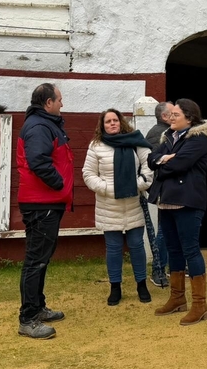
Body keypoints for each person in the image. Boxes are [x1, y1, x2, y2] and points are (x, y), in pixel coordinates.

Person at [148, 98, 207, 326]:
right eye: (171, 114)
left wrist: (163, 162)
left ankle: (199, 304)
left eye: (176, 114)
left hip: (188, 203)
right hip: (167, 201)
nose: (171, 118)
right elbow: (150, 159)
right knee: (173, 250)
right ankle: (177, 298)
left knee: (190, 250)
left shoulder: (198, 139)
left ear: (189, 117)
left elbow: (179, 165)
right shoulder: (168, 137)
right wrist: (165, 159)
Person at [16, 83, 74, 339]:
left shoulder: (45, 124)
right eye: (59, 99)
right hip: (42, 202)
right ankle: (28, 318)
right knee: (36, 260)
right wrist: (60, 183)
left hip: (46, 201)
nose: (62, 103)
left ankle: (37, 308)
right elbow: (38, 161)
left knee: (40, 259)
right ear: (48, 103)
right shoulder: (40, 126)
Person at [83, 109, 155, 306]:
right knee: (113, 249)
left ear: (121, 122)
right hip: (108, 205)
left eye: (115, 120)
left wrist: (137, 184)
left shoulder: (134, 141)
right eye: (108, 121)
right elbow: (88, 174)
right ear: (102, 125)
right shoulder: (96, 146)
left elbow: (149, 166)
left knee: (137, 246)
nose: (112, 124)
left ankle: (141, 285)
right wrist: (107, 188)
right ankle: (115, 287)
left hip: (133, 203)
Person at [145, 101, 174, 288]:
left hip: (168, 188)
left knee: (169, 228)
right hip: (165, 188)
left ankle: (170, 266)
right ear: (164, 117)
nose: (177, 115)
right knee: (165, 229)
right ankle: (158, 269)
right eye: (173, 113)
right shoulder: (160, 134)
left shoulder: (166, 132)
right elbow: (158, 164)